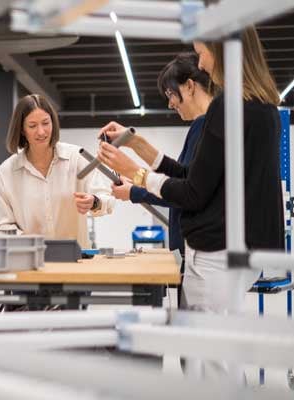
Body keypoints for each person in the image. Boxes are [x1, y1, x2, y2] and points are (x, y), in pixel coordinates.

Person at [98, 26, 283, 315]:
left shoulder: (227, 108)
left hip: (216, 255)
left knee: (206, 354)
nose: (201, 65)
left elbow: (193, 192)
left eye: (201, 54)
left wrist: (136, 174)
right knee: (220, 351)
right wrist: (137, 145)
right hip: (245, 250)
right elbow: (192, 175)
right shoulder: (264, 108)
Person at [110, 52, 213, 306]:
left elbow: (186, 192)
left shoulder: (206, 127)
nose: (170, 104)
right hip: (195, 254)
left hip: (201, 255)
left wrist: (136, 185)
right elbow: (178, 174)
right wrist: (135, 144)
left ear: (189, 87)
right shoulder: (202, 127)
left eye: (170, 95)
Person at [0, 94, 115, 248]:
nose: (41, 132)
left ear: (53, 122)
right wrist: (31, 243)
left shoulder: (77, 157)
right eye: (32, 126)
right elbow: (5, 227)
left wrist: (94, 202)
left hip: (76, 262)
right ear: (22, 129)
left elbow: (107, 199)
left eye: (46, 123)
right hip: (32, 262)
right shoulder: (7, 172)